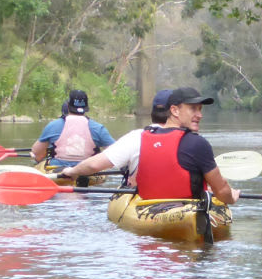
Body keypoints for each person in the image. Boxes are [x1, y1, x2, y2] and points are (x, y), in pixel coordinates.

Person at [93, 86, 238, 206]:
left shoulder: (144, 137)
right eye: (193, 108)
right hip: (187, 209)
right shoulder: (198, 144)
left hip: (147, 207)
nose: (199, 115)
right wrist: (232, 197)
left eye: (200, 109)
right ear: (174, 110)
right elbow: (222, 191)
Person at [58, 88, 170, 184]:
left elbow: (39, 154)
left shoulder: (135, 137)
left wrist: (72, 171)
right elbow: (111, 147)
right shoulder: (97, 128)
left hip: (62, 168)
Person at [30, 89, 114, 168]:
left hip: (56, 169)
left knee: (37, 160)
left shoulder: (53, 125)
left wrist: (38, 158)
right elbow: (114, 153)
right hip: (87, 171)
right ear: (86, 108)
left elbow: (37, 152)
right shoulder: (98, 128)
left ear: (68, 106)